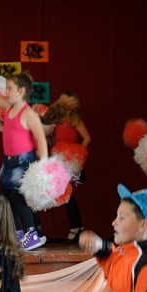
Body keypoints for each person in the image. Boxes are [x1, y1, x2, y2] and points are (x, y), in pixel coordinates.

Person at [0, 69, 48, 250]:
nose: (6, 91)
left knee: (18, 197)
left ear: (21, 91)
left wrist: (43, 166)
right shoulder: (9, 107)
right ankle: (18, 233)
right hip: (8, 162)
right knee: (5, 197)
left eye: (9, 88)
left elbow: (41, 139)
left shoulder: (29, 114)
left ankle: (32, 234)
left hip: (23, 162)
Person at [42, 91, 91, 243]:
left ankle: (76, 227)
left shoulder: (74, 119)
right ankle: (77, 226)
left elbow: (87, 138)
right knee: (64, 194)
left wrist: (77, 155)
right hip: (58, 157)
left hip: (70, 160)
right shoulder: (57, 118)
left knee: (67, 193)